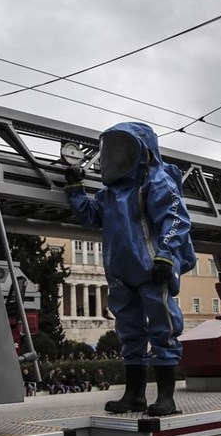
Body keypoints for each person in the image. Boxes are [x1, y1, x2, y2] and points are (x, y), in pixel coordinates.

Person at [65, 122, 196, 416]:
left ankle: (166, 397)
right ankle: (134, 396)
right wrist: (75, 189)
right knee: (129, 333)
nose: (114, 156)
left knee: (163, 328)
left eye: (121, 148)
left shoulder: (156, 180)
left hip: (152, 268)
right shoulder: (109, 194)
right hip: (120, 271)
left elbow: (175, 219)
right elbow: (90, 215)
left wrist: (165, 255)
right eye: (111, 150)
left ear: (142, 151)